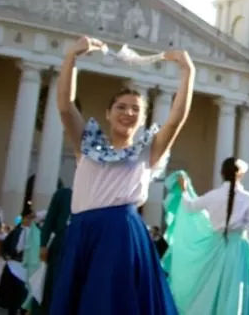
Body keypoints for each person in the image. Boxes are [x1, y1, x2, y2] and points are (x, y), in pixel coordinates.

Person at [49, 36, 193, 315]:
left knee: (110, 302)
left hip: (120, 232)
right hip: (81, 231)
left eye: (136, 109)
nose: (128, 113)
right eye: (121, 107)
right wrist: (71, 58)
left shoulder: (148, 150)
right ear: (108, 112)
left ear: (143, 118)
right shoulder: (86, 143)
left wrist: (188, 72)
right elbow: (66, 107)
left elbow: (176, 118)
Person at [163, 157, 249, 314]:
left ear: (222, 173)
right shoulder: (248, 199)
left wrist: (184, 190)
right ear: (240, 174)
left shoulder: (214, 195)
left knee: (212, 289)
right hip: (238, 249)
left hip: (215, 248)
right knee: (234, 290)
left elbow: (190, 206)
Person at [30, 184, 72, 315]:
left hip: (79, 246)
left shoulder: (93, 194)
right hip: (60, 245)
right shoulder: (63, 194)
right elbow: (49, 220)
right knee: (52, 285)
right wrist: (43, 245)